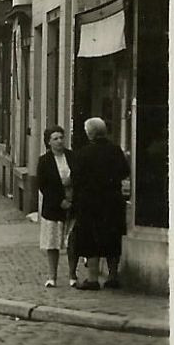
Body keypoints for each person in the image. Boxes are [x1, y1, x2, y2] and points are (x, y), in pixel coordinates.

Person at [71, 116, 130, 291]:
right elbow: (124, 171)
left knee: (91, 241)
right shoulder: (115, 150)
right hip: (112, 201)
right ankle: (112, 276)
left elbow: (76, 178)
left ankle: (92, 278)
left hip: (90, 203)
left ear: (90, 134)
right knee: (112, 239)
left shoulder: (83, 153)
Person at [35, 125, 73, 288]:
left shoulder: (72, 157)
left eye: (61, 137)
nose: (59, 141)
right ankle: (52, 276)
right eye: (55, 138)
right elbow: (43, 185)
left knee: (72, 241)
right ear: (49, 142)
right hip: (53, 207)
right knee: (52, 243)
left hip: (72, 204)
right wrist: (59, 200)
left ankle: (72, 274)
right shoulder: (44, 161)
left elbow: (80, 176)